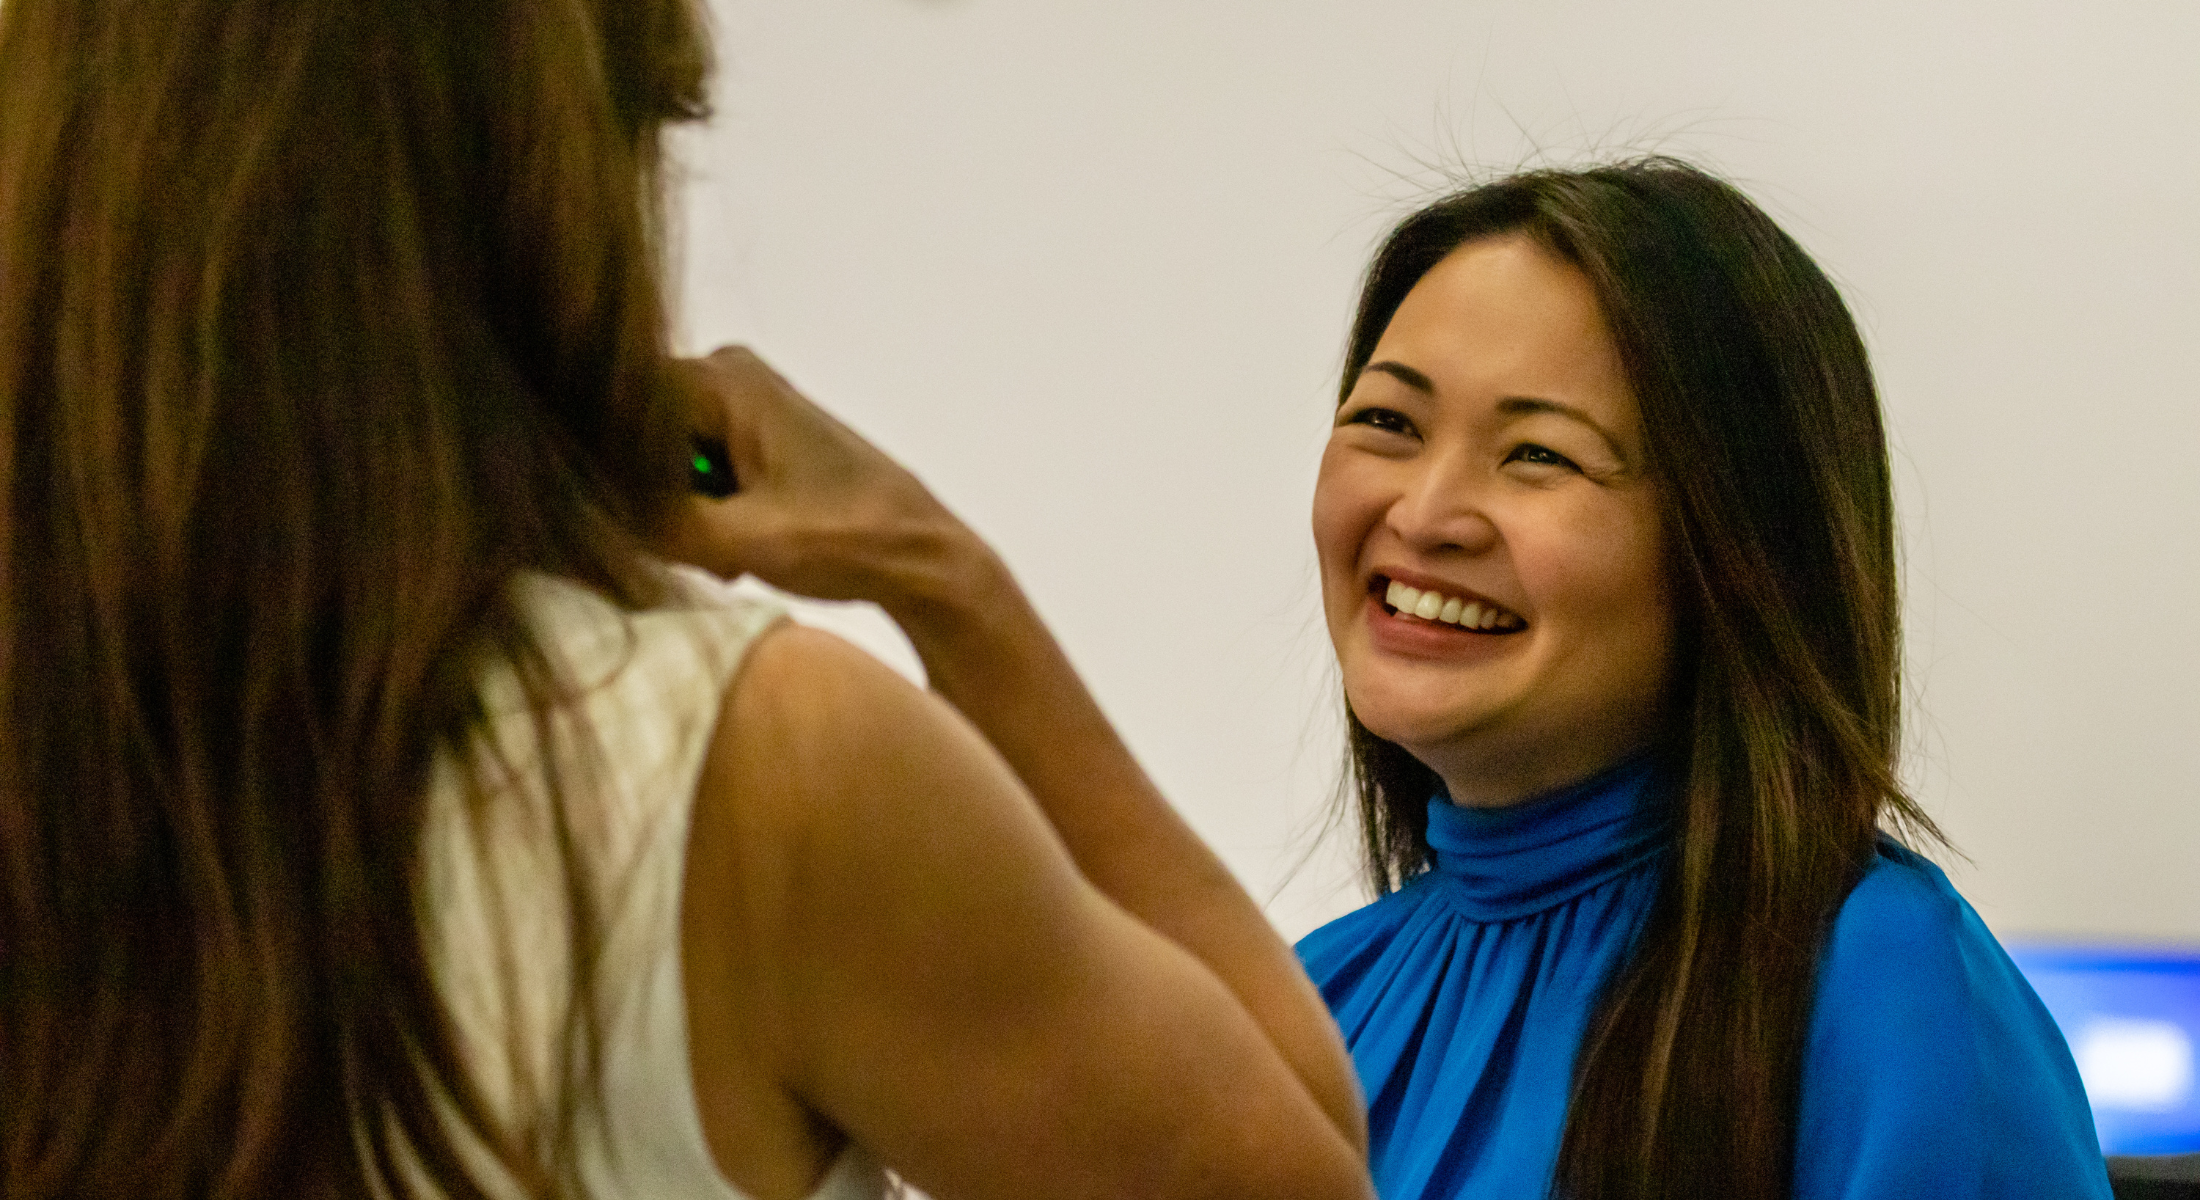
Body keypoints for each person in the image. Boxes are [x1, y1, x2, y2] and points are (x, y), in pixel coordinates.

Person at [0, 3, 1374, 1199]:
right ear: (528, 195)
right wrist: (940, 574)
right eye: (653, 127)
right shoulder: (748, 767)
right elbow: (1302, 1167)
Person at [1292, 158, 2112, 1200]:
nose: (1423, 514)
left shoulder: (1885, 988)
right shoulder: (1307, 1002)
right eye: (1388, 424)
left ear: (1737, 548)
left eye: (1539, 453)